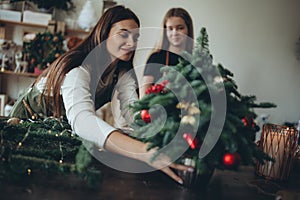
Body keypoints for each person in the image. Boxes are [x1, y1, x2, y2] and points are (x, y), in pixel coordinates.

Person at [9, 5, 191, 184]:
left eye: (136, 37)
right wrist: (144, 151)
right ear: (104, 34)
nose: (132, 43)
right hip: (25, 125)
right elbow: (83, 122)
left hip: (58, 134)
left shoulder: (121, 72)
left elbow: (133, 112)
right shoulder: (77, 69)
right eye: (124, 34)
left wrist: (158, 134)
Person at [140, 7, 194, 97]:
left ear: (188, 29)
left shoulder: (195, 59)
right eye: (170, 28)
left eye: (180, 28)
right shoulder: (156, 57)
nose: (175, 32)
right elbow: (143, 95)